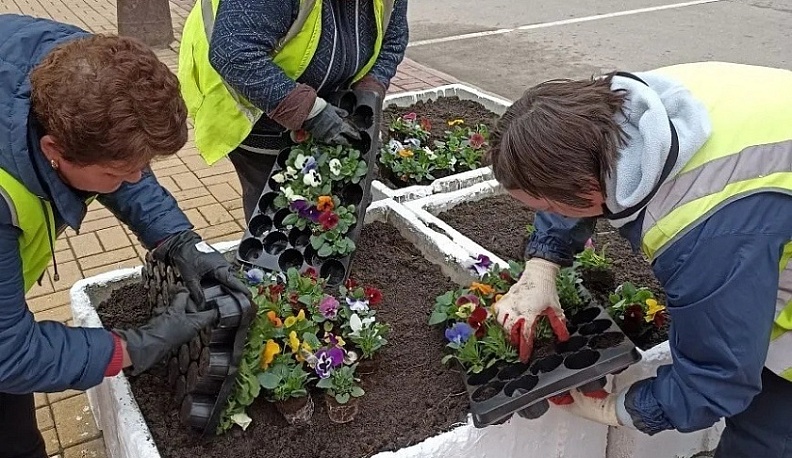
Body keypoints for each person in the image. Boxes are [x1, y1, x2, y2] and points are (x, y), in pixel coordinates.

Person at [487, 62, 792, 457]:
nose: (548, 211)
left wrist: (619, 409)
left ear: (584, 187)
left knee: (769, 430)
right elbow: (574, 178)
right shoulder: (629, 107)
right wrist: (543, 262)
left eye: (546, 204)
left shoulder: (696, 225)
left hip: (747, 217)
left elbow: (717, 379)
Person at [0, 14, 248, 458]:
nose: (134, 178)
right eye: (117, 173)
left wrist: (177, 239)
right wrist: (135, 346)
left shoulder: (80, 70)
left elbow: (120, 160)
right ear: (53, 150)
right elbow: (10, 355)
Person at [178, 0, 410, 221]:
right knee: (275, 208)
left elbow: (393, 39)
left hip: (327, 98)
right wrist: (310, 111)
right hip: (253, 105)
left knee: (332, 203)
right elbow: (235, 54)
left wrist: (368, 93)